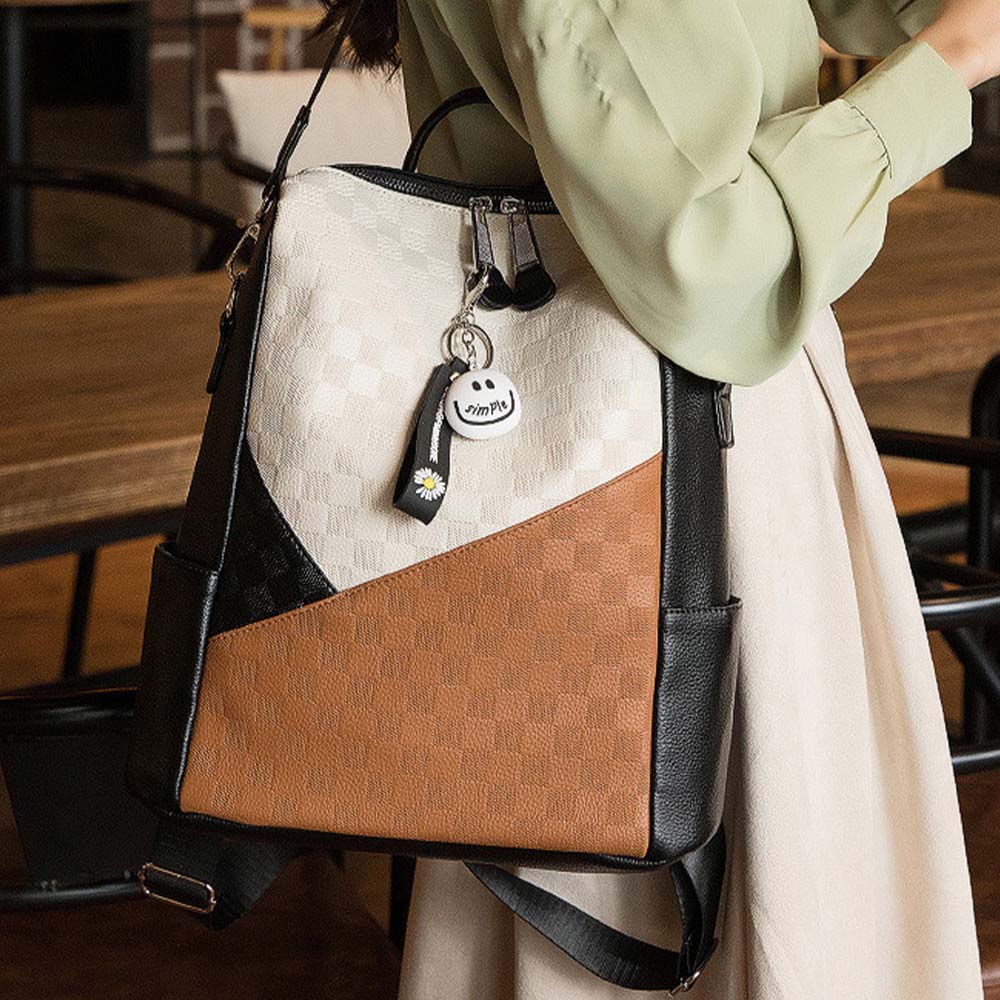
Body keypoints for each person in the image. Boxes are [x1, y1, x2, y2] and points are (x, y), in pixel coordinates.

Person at [316, 1, 1000, 997]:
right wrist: (958, 54)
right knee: (730, 906)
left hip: (589, 450)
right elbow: (714, 262)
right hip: (676, 461)